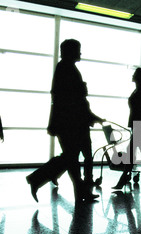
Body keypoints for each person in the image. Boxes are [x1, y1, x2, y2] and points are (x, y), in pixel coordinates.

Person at [27, 39, 103, 202]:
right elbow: (73, 100)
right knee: (71, 158)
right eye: (78, 50)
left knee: (71, 159)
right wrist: (90, 116)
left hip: (72, 123)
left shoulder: (66, 68)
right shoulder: (67, 69)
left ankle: (77, 190)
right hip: (72, 124)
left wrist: (90, 116)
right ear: (70, 51)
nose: (80, 53)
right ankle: (37, 178)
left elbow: (71, 99)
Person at [112, 67, 141, 189]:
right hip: (137, 124)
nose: (132, 75)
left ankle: (123, 178)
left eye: (134, 74)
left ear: (139, 77)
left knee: (134, 152)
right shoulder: (138, 90)